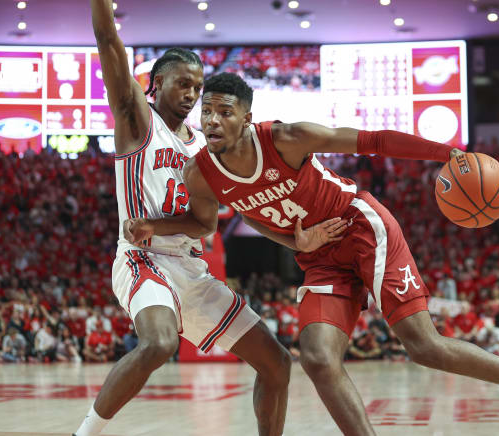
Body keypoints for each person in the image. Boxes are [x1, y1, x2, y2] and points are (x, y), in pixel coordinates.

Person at [128, 72, 499, 436]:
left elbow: (372, 141)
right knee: (316, 356)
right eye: (206, 111)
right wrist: (295, 243)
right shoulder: (201, 174)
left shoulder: (288, 137)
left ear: (245, 118)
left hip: (361, 227)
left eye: (223, 112)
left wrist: (446, 153)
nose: (210, 120)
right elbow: (235, 217)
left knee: (422, 346)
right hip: (321, 255)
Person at [78, 3, 337, 435]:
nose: (191, 94)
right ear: (156, 84)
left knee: (277, 363)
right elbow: (108, 42)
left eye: (197, 87)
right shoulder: (136, 119)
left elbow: (205, 225)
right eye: (182, 83)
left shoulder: (206, 149)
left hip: (190, 269)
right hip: (142, 261)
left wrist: (296, 244)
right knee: (159, 342)